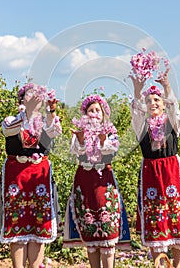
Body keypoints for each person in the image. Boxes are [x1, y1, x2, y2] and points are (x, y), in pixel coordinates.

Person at [130, 70, 180, 268]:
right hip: (151, 174)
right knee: (155, 219)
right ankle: (159, 265)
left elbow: (174, 108)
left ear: (163, 104)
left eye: (157, 100)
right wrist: (137, 91)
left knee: (174, 217)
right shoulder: (141, 126)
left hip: (171, 172)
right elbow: (135, 112)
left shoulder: (172, 123)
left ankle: (176, 266)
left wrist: (167, 86)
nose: (153, 103)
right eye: (149, 101)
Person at [0, 83, 63, 268]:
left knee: (39, 228)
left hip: (40, 178)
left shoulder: (46, 122)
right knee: (17, 223)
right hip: (17, 178)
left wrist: (52, 112)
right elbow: (9, 130)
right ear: (21, 100)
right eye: (30, 95)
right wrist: (27, 114)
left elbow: (55, 131)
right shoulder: (11, 120)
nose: (34, 99)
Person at [63, 94, 130, 268]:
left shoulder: (110, 132)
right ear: (85, 114)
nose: (94, 114)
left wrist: (102, 140)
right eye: (90, 110)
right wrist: (79, 138)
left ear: (103, 114)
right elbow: (75, 152)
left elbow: (111, 152)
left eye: (97, 110)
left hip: (103, 182)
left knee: (107, 231)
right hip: (84, 183)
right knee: (90, 229)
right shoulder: (80, 132)